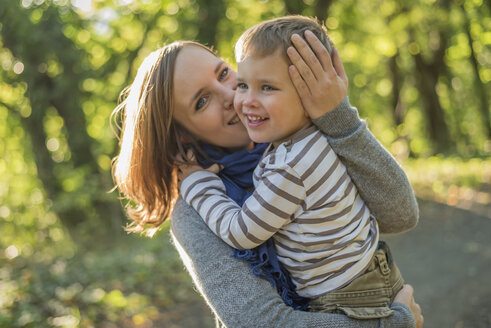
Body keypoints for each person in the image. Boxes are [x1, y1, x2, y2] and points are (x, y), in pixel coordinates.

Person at [112, 23, 423, 328]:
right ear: (184, 137)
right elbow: (260, 322)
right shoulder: (196, 210)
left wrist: (339, 118)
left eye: (223, 73)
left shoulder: (302, 137)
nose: (231, 95)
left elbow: (400, 217)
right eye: (201, 101)